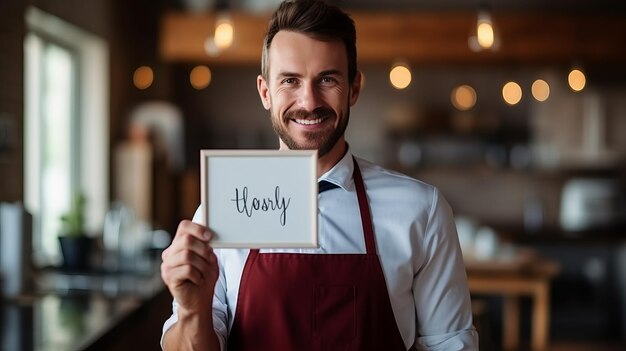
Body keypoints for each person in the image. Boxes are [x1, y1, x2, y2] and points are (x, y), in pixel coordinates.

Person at [160, 0, 479, 350]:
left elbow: (450, 344)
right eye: (290, 81)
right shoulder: (223, 210)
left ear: (354, 88)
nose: (309, 101)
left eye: (327, 79)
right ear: (265, 92)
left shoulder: (422, 210)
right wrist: (193, 310)